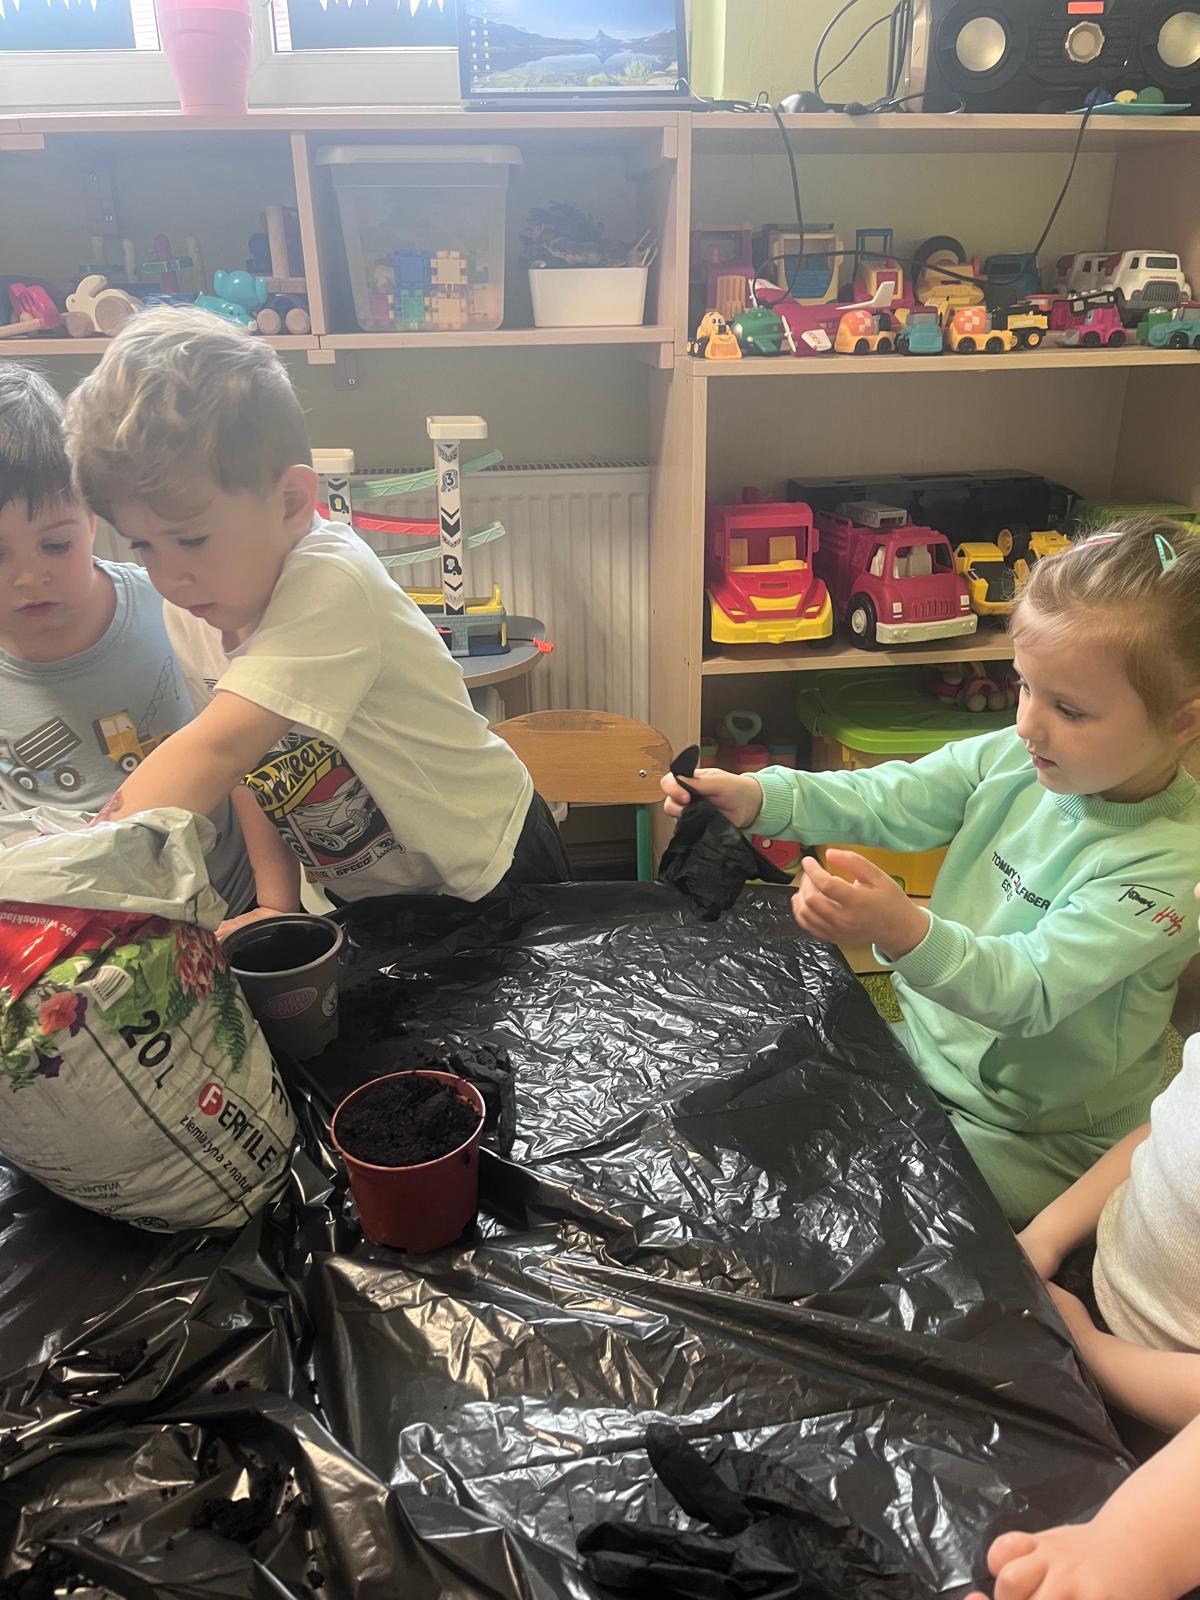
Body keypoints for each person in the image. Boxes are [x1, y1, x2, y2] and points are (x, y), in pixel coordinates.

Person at [661, 519, 1200, 1223]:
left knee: (865, 1206)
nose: (1028, 724)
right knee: (754, 1121)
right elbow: (893, 796)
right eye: (1025, 686)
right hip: (922, 1051)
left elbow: (1029, 991)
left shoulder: (1170, 863)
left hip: (1039, 1136)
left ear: (1183, 721)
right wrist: (762, 797)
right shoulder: (1015, 756)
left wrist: (902, 930)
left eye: (1069, 709)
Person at [63, 307, 566, 918]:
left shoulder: (331, 582)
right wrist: (276, 903)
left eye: (191, 539)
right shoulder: (197, 607)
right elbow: (247, 767)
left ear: (291, 502)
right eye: (143, 545)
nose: (169, 577)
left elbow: (217, 751)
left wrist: (71, 877)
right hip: (371, 891)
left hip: (490, 867)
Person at [965, 884, 1200, 1600]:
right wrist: (1047, 1234)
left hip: (1160, 1411)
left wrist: (1093, 1351)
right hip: (1095, 1280)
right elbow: (1163, 1132)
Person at [0, 360, 286, 924]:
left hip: (226, 911)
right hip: (64, 935)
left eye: (55, 546)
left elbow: (246, 755)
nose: (30, 577)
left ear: (91, 520)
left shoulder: (179, 605)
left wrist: (277, 902)